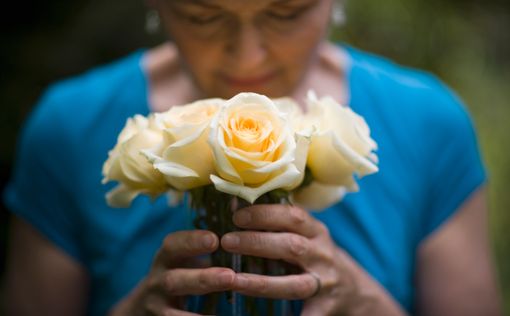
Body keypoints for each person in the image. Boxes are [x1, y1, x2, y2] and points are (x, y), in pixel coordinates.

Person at [3, 0, 503, 315]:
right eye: (203, 15)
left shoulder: (428, 122)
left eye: (285, 13)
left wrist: (368, 304)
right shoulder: (69, 128)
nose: (247, 58)